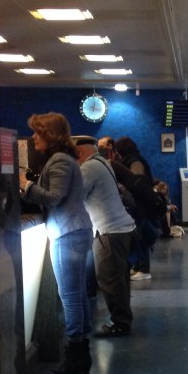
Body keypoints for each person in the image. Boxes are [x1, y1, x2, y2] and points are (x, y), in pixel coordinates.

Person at [19, 113, 94, 374]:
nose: (33, 137)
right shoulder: (66, 159)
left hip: (67, 233)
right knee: (78, 294)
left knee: (70, 296)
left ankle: (75, 354)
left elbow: (54, 197)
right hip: (76, 230)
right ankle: (81, 350)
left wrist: (26, 184)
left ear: (50, 135)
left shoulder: (60, 160)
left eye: (38, 132)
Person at [73, 136, 137, 337]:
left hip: (110, 231)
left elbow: (74, 196)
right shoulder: (103, 163)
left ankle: (120, 323)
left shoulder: (89, 168)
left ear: (79, 153)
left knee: (110, 280)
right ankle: (122, 319)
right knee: (119, 279)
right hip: (122, 228)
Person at [113, 136, 159, 279]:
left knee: (140, 236)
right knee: (139, 235)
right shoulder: (135, 160)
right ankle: (138, 266)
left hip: (138, 206)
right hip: (140, 205)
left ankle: (143, 269)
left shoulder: (133, 162)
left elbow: (137, 183)